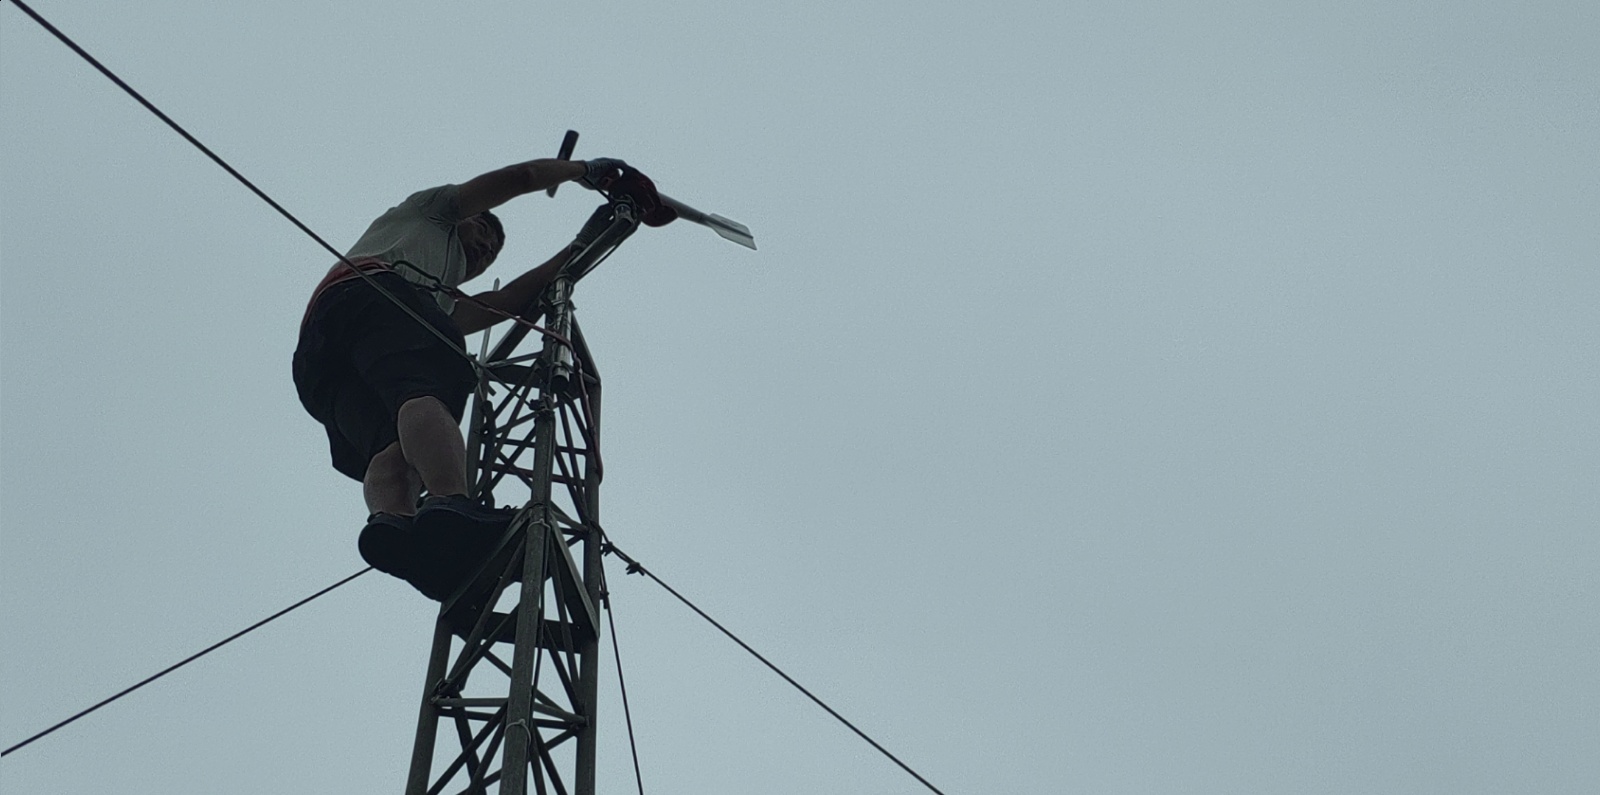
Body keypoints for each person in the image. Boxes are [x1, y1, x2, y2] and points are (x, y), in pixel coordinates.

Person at [292, 156, 627, 600]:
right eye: (485, 229)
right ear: (465, 218)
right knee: (430, 380)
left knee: (389, 442)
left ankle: (394, 522)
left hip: (321, 350)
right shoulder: (433, 213)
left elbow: (505, 302)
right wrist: (585, 170)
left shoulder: (440, 299)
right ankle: (452, 504)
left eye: (494, 253)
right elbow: (520, 178)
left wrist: (583, 245)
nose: (488, 247)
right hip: (372, 292)